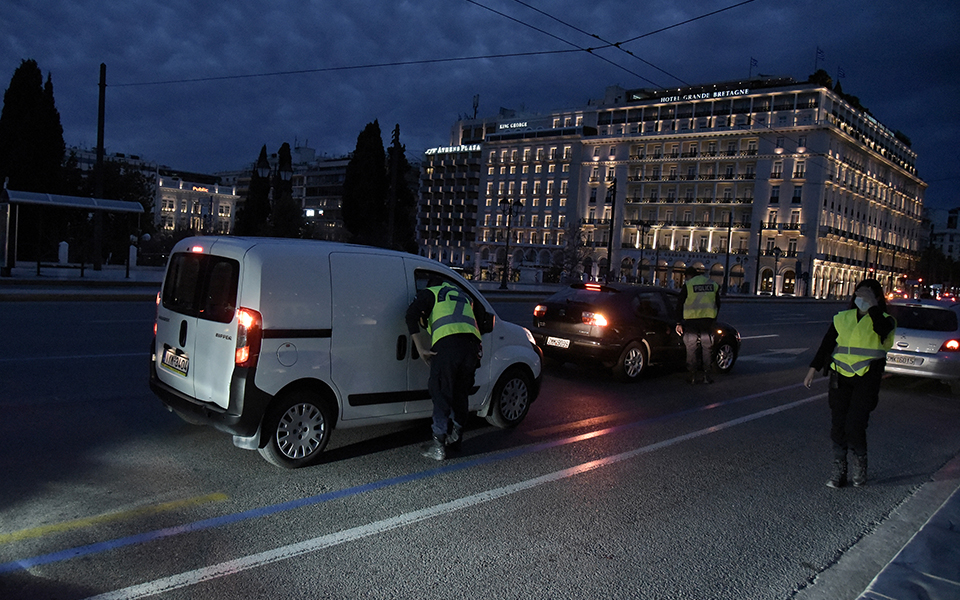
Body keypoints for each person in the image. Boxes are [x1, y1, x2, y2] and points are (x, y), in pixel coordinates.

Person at [804, 279, 896, 488]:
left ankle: (860, 464)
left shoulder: (885, 320)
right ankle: (839, 470)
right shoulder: (842, 318)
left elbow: (882, 331)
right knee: (838, 425)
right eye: (859, 294)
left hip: (867, 379)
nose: (861, 299)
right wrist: (813, 369)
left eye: (867, 296)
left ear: (877, 298)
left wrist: (872, 308)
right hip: (840, 377)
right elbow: (827, 343)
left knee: (855, 425)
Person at [406, 276, 482, 461]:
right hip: (472, 348)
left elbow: (410, 316)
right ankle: (456, 437)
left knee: (441, 393)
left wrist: (420, 348)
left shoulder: (430, 293)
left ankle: (438, 445)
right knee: (460, 393)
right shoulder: (463, 296)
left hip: (448, 347)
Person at [676, 266, 721, 384]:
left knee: (691, 347)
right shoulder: (712, 284)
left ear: (688, 276)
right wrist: (714, 318)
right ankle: (706, 376)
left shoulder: (689, 285)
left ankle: (692, 376)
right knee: (707, 348)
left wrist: (679, 322)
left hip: (691, 321)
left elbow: (680, 303)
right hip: (708, 321)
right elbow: (718, 303)